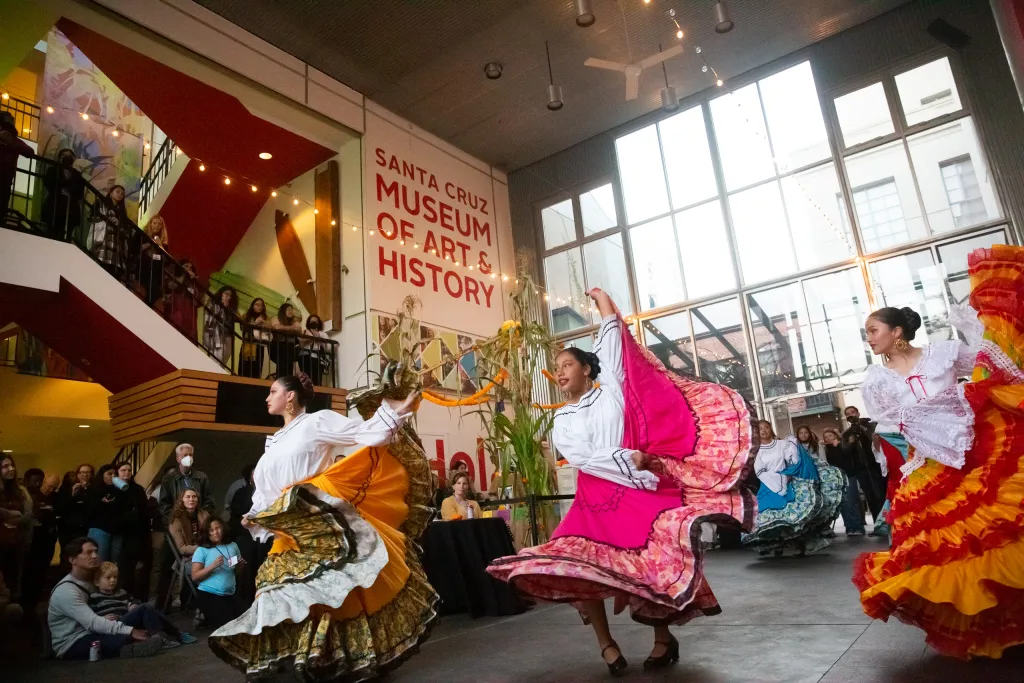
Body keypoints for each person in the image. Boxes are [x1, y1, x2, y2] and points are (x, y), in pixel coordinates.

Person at [488, 289, 754, 675]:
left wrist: (603, 304)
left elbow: (612, 342)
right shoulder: (562, 419)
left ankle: (663, 638)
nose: (560, 372)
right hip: (594, 496)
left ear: (586, 369)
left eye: (566, 364)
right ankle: (606, 644)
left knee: (647, 563)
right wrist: (629, 458)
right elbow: (580, 457)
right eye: (557, 367)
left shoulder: (612, 389)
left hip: (633, 490)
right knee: (580, 565)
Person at [207, 372, 436, 681]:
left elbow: (362, 433)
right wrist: (255, 513)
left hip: (320, 522)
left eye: (272, 391)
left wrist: (396, 409)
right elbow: (266, 491)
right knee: (278, 587)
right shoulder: (273, 445)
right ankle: (309, 654)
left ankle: (337, 656)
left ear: (290, 397)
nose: (266, 397)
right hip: (290, 528)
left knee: (331, 591)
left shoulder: (315, 423)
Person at [854, 246, 1024, 659]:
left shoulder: (943, 352)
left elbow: (990, 365)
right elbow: (894, 425)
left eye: (873, 329)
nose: (869, 338)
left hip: (975, 450)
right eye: (866, 333)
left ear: (897, 331)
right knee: (949, 547)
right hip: (929, 465)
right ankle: (981, 620)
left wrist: (983, 335)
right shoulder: (875, 381)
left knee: (993, 532)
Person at [48, 537, 165, 660]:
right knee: (122, 637)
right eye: (88, 553)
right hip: (74, 641)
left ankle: (166, 636)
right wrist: (130, 630)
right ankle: (131, 646)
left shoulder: (94, 578)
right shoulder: (66, 591)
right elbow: (92, 623)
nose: (94, 556)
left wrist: (131, 606)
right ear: (73, 560)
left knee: (144, 610)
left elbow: (120, 597)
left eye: (95, 552)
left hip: (98, 628)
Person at [741, 421, 837, 557]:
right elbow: (759, 470)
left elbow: (792, 460)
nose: (764, 431)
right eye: (760, 429)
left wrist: (788, 473)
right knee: (771, 518)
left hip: (786, 481)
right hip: (768, 485)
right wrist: (775, 479)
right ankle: (777, 544)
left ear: (771, 429)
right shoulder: (756, 449)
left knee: (791, 516)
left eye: (766, 427)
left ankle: (798, 543)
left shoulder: (782, 444)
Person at [89, 561, 197, 647]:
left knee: (148, 609)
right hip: (112, 625)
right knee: (145, 607)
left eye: (115, 577)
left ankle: (175, 634)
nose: (112, 580)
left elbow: (133, 600)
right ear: (97, 582)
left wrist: (131, 605)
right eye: (108, 578)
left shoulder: (121, 593)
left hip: (126, 620)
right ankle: (163, 638)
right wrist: (102, 618)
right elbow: (89, 618)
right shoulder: (94, 597)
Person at [191, 519, 247, 630]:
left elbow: (235, 572)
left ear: (223, 528)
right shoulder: (202, 550)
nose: (215, 532)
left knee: (247, 618)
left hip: (229, 594)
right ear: (206, 533)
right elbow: (195, 576)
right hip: (209, 594)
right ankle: (205, 615)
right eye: (211, 530)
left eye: (217, 528)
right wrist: (213, 566)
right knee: (230, 626)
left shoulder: (233, 546)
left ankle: (206, 618)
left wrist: (239, 566)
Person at [841, 406, 888, 536]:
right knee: (871, 498)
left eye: (853, 412)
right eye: (848, 414)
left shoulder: (870, 424)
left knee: (882, 495)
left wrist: (862, 428)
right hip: (861, 470)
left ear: (858, 413)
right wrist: (851, 442)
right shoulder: (846, 434)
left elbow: (877, 439)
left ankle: (890, 523)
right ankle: (878, 525)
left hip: (876, 466)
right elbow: (845, 452)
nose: (851, 415)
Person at [22, 467, 58, 612]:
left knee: (39, 578)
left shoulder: (47, 498)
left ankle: (34, 607)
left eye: (40, 481)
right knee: (26, 578)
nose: (37, 484)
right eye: (34, 481)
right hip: (28, 545)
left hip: (44, 545)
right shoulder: (23, 498)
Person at [167, 488, 210, 609]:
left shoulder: (203, 514)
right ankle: (206, 606)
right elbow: (182, 549)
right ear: (182, 500)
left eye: (194, 496)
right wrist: (201, 549)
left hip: (208, 552)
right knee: (207, 574)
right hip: (189, 558)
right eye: (188, 497)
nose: (191, 499)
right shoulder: (176, 520)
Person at [114, 463, 150, 599]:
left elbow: (144, 512)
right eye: (123, 470)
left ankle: (137, 597)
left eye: (129, 470)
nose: (127, 473)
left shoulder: (138, 490)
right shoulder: (113, 490)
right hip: (120, 533)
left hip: (137, 533)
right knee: (122, 568)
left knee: (136, 568)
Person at [823, 427, 866, 536]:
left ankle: (858, 527)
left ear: (835, 436)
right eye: (826, 437)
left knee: (851, 501)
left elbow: (848, 455)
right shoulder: (826, 450)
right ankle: (849, 527)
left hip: (849, 476)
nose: (828, 438)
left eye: (830, 436)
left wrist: (839, 444)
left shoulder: (843, 445)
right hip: (837, 479)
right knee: (843, 504)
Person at [158, 444, 216, 524]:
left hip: (199, 523)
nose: (188, 457)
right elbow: (164, 505)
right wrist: (174, 521)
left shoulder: (202, 477)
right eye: (185, 455)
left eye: (190, 455)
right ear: (178, 459)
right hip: (177, 523)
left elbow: (209, 501)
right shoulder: (168, 479)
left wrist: (202, 518)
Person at [0, 456, 31, 602]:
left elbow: (27, 514)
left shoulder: (20, 490)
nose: (11, 469)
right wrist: (11, 513)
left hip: (16, 543)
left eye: (11, 465)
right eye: (5, 466)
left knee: (14, 582)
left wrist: (12, 517)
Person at [42, 148, 85, 241]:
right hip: (55, 205)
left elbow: (80, 192)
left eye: (70, 156)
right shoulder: (53, 169)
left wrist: (70, 187)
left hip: (71, 208)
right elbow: (49, 184)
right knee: (52, 233)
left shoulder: (77, 174)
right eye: (65, 155)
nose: (68, 157)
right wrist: (65, 183)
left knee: (67, 235)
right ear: (60, 158)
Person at [89, 184, 130, 281]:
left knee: (115, 270)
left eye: (122, 194)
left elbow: (125, 228)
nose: (120, 195)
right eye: (117, 192)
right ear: (111, 193)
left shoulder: (122, 212)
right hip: (104, 238)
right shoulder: (101, 203)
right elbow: (92, 217)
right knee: (103, 265)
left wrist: (119, 225)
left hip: (117, 242)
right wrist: (108, 219)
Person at [56, 464, 93, 564]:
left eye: (88, 472)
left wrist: (86, 491)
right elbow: (61, 508)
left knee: (84, 554)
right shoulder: (67, 489)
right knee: (67, 555)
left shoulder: (94, 489)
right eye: (82, 472)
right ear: (78, 474)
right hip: (68, 529)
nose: (85, 475)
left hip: (86, 527)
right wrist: (72, 495)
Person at [85, 464, 123, 563]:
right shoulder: (94, 489)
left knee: (115, 562)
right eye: (109, 474)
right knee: (99, 561)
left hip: (117, 529)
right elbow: (88, 510)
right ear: (102, 475)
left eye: (115, 474)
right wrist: (101, 502)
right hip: (99, 528)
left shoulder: (118, 490)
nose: (113, 476)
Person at [0, 111, 32, 220]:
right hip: (6, 175)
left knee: (2, 202)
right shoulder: (15, 140)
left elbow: (29, 152)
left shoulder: (14, 140)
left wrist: (9, 142)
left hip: (6, 176)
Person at [134, 215, 170, 308]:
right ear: (150, 224)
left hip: (156, 275)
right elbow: (134, 249)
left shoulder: (163, 244)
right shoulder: (141, 235)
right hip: (142, 270)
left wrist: (160, 246)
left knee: (155, 296)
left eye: (159, 224)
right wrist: (150, 244)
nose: (157, 226)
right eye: (154, 223)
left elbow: (166, 260)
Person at [164, 258, 200, 343]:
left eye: (190, 268)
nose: (189, 269)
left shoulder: (193, 283)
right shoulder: (172, 277)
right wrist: (184, 275)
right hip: (175, 311)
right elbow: (173, 286)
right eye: (186, 266)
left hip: (189, 316)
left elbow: (197, 297)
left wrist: (193, 282)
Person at [203, 285, 238, 368]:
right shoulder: (213, 302)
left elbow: (238, 318)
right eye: (226, 294)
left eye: (230, 296)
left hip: (228, 336)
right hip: (214, 334)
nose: (229, 297)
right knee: (217, 360)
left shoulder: (231, 308)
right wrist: (222, 307)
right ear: (221, 293)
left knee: (223, 361)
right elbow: (210, 318)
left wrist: (228, 309)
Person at [239, 298, 272, 379]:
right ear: (252, 305)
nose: (259, 307)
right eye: (257, 304)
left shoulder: (266, 318)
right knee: (244, 370)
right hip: (247, 345)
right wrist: (255, 323)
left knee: (256, 372)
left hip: (259, 346)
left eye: (261, 305)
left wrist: (263, 323)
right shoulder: (246, 316)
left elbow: (271, 329)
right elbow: (242, 328)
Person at [270, 302, 302, 377]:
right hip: (279, 346)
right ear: (283, 310)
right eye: (288, 309)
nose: (290, 311)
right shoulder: (276, 318)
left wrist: (292, 326)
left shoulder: (293, 321)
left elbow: (299, 330)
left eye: (291, 310)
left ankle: (288, 384)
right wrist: (291, 328)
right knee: (282, 367)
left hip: (290, 347)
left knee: (289, 368)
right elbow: (276, 327)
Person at [297, 314, 328, 385]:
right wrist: (310, 337)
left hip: (317, 359)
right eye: (311, 321)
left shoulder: (323, 334)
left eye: (315, 321)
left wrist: (319, 339)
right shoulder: (304, 332)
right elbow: (301, 343)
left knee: (317, 380)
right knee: (306, 379)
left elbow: (328, 348)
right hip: (305, 358)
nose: (313, 323)